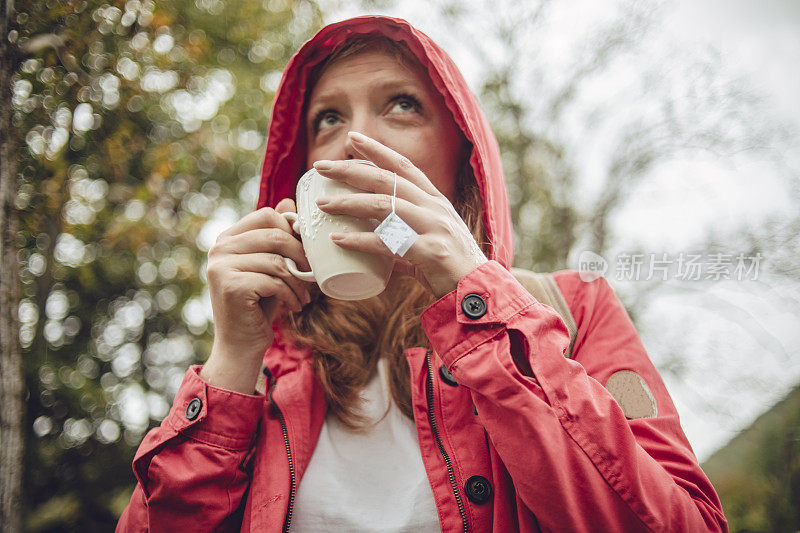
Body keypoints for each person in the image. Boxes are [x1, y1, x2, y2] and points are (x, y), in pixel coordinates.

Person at [117, 15, 728, 532]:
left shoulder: (572, 308)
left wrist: (476, 297)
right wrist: (230, 362)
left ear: (463, 156)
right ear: (301, 174)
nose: (353, 140)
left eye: (402, 105)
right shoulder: (266, 373)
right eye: (327, 119)